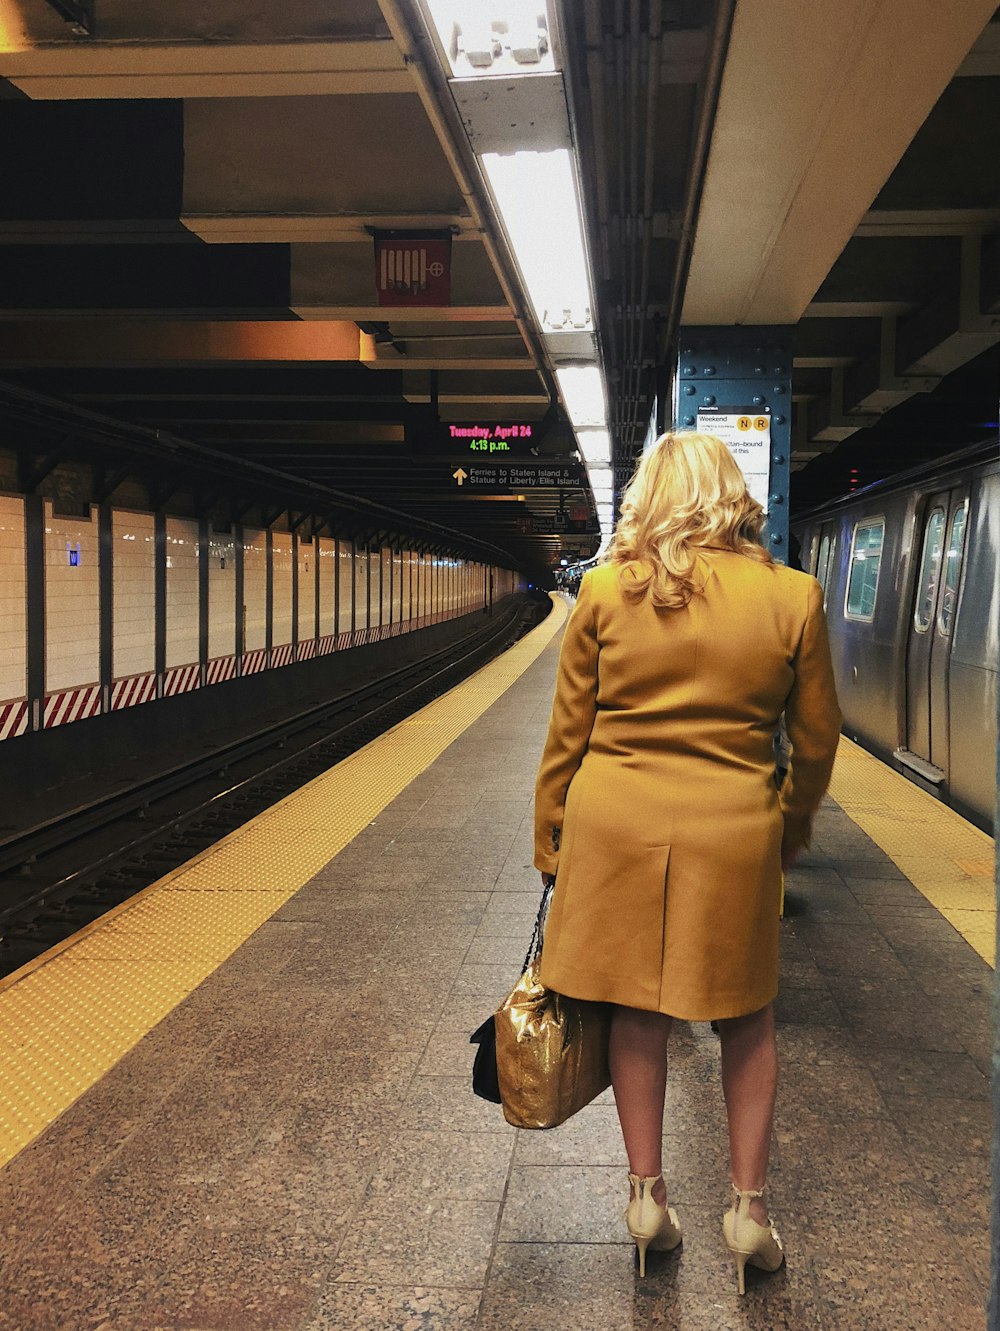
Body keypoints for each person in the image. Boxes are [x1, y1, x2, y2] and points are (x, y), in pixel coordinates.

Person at [533, 431, 841, 1293]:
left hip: (616, 825)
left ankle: (646, 1198)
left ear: (650, 496)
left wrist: (549, 836)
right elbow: (816, 741)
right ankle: (747, 1209)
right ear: (731, 494)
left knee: (639, 1012)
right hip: (734, 830)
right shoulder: (794, 597)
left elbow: (568, 735)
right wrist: (790, 824)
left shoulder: (602, 591)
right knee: (747, 1019)